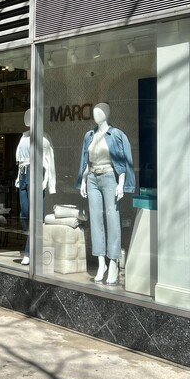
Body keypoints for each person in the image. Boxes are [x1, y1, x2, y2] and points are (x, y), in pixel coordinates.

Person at [76, 103, 135, 285]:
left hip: (110, 177)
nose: (96, 115)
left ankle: (113, 262)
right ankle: (101, 263)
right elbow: (86, 160)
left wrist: (122, 183)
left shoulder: (116, 134)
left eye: (100, 112)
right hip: (92, 178)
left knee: (112, 218)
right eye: (94, 112)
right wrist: (83, 180)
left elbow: (124, 159)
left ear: (107, 114)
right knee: (95, 219)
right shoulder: (89, 135)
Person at [15, 109, 56, 266]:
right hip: (24, 173)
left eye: (30, 116)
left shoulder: (44, 137)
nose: (27, 118)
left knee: (35, 214)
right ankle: (32, 242)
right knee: (24, 213)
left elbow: (49, 161)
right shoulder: (24, 136)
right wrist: (18, 177)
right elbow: (20, 160)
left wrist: (48, 182)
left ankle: (29, 252)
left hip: (36, 173)